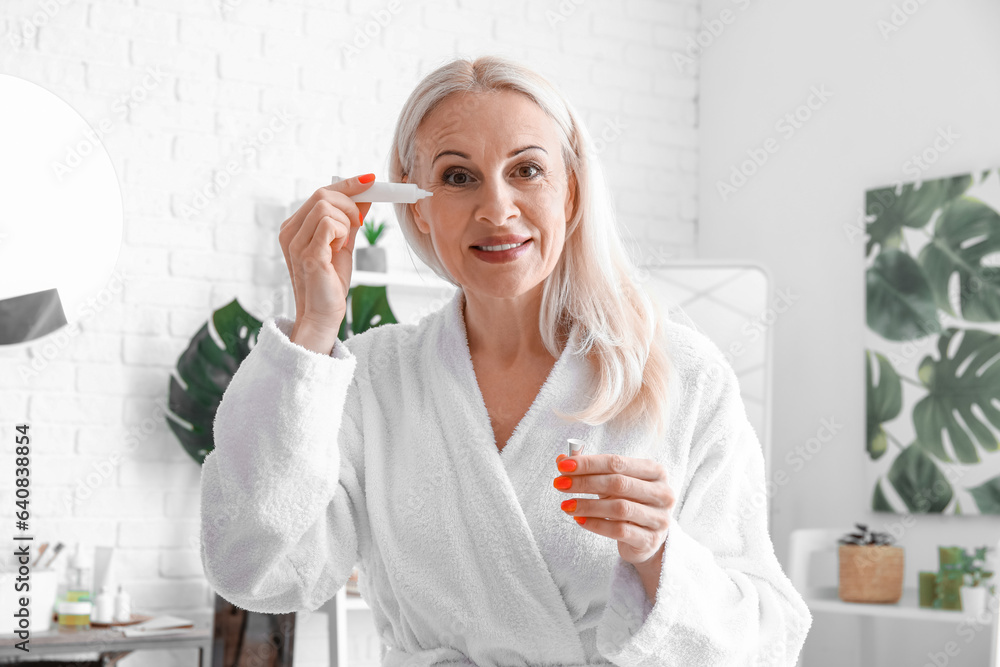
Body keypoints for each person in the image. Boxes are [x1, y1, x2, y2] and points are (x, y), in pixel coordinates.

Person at [200, 54, 813, 666]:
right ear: (418, 207)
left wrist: (657, 554)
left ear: (570, 190)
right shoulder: (372, 381)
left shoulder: (684, 377)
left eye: (526, 170)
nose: (497, 208)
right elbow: (256, 570)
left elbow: (767, 641)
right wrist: (313, 326)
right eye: (459, 177)